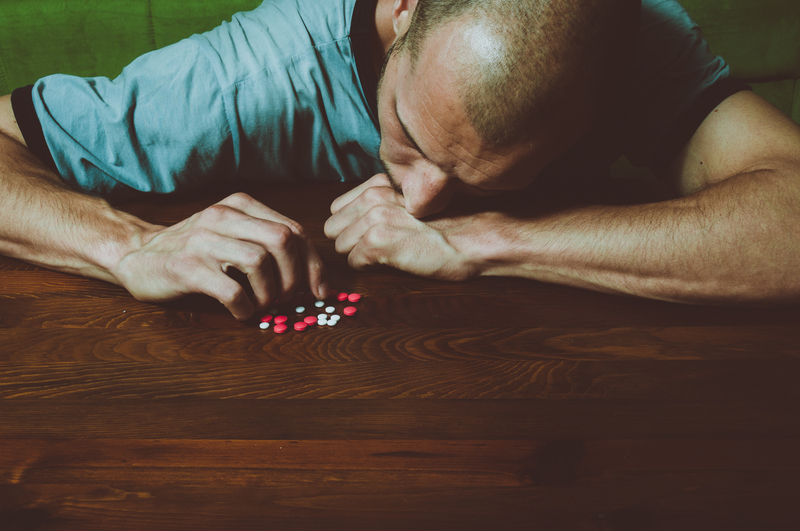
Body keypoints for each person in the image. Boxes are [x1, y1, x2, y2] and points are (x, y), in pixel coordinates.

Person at [0, 0, 798, 321]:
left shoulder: (635, 39)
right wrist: (127, 244)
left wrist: (488, 239)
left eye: (488, 173)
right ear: (404, 10)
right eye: (409, 137)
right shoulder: (255, 73)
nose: (418, 201)